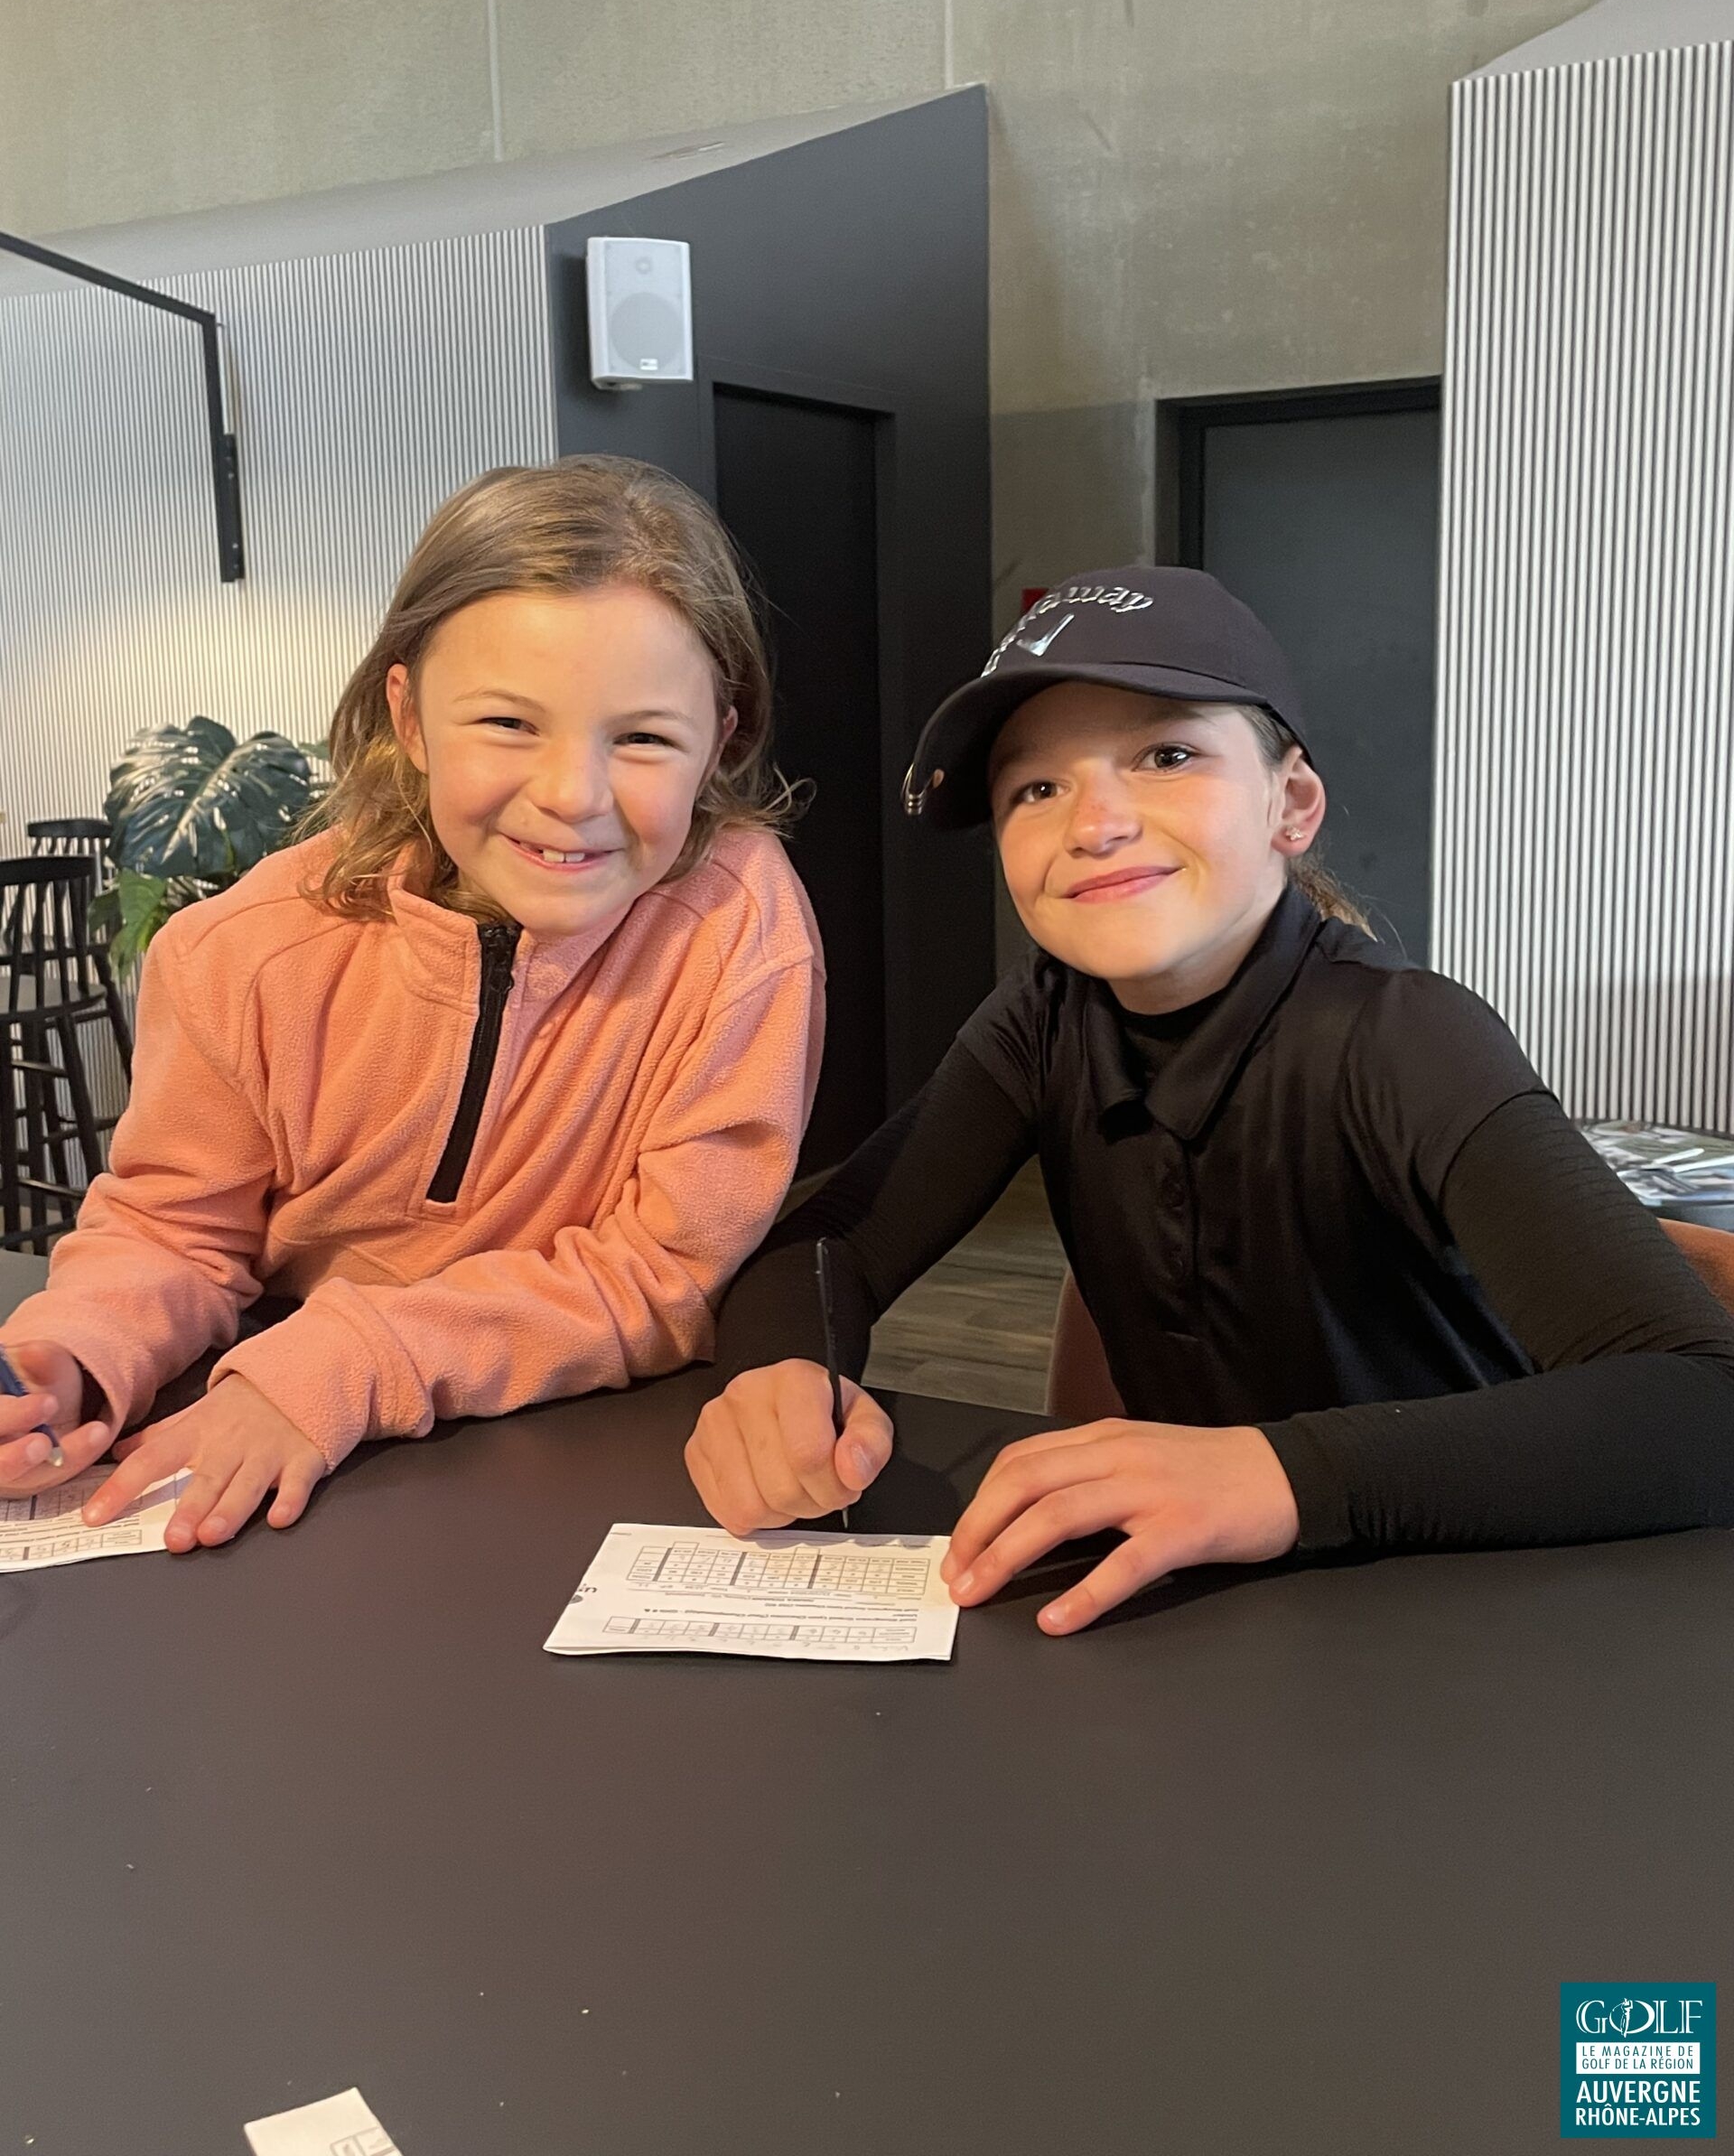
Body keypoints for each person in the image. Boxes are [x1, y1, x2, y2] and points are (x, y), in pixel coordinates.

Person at [685, 565, 1734, 1631]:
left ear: (1292, 804)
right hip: (1219, 1628)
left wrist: (1280, 1472)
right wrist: (782, 1376)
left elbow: (1703, 1401)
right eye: (1035, 788)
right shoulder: (1042, 1017)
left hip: (1468, 1614)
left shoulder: (1405, 1037)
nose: (1095, 824)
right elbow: (833, 1242)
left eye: (1167, 755)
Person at [0, 456, 823, 1550]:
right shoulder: (239, 951)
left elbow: (661, 1274)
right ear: (412, 717)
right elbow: (174, 1228)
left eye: (641, 737)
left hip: (577, 1457)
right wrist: (74, 1349)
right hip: (276, 1453)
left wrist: (356, 1358)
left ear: (720, 738)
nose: (573, 794)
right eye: (508, 723)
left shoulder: (739, 929)